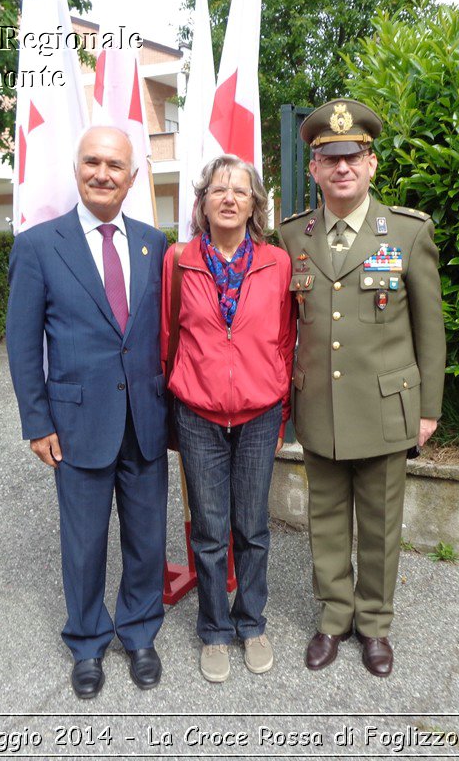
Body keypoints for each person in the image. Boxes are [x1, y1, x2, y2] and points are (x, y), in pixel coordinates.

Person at [278, 98, 446, 678]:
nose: (342, 167)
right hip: (319, 405)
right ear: (315, 169)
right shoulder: (290, 237)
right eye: (329, 158)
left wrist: (428, 411)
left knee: (379, 524)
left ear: (372, 164)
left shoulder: (407, 231)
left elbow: (431, 329)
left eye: (354, 156)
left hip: (385, 407)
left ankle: (374, 625)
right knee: (324, 520)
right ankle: (333, 618)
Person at [5, 126, 169, 700]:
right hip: (75, 425)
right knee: (84, 542)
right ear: (77, 169)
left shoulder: (156, 243)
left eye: (115, 165)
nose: (103, 173)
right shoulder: (38, 245)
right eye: (92, 162)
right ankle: (87, 641)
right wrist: (37, 422)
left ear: (132, 177)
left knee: (148, 538)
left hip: (145, 420)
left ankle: (141, 633)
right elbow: (23, 344)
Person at [161, 155, 296, 683]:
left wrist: (279, 400)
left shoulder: (277, 262)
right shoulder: (179, 260)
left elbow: (285, 338)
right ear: (203, 200)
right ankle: (215, 629)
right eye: (219, 188)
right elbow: (167, 337)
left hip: (260, 414)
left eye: (241, 190)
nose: (230, 197)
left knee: (253, 528)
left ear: (254, 205)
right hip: (198, 412)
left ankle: (252, 622)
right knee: (212, 530)